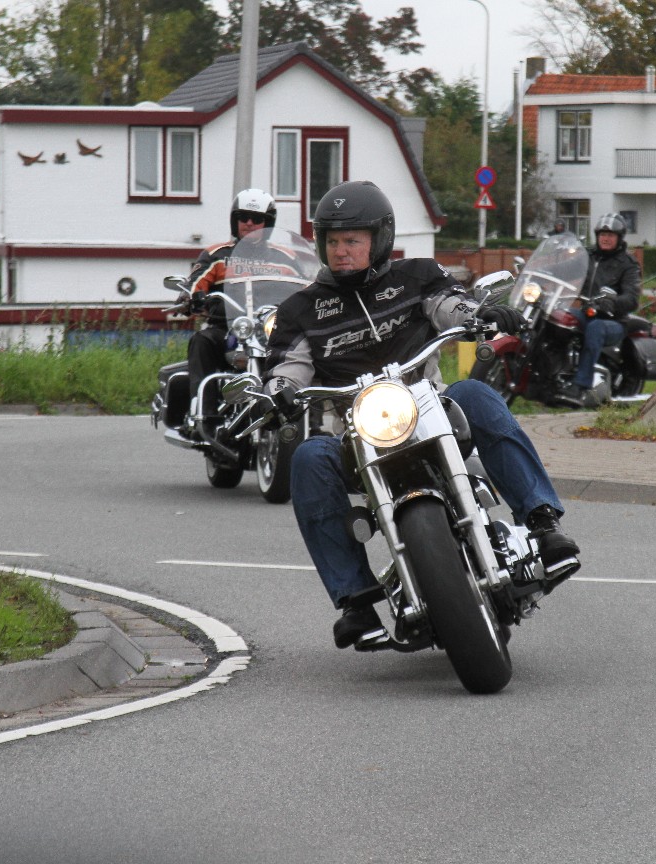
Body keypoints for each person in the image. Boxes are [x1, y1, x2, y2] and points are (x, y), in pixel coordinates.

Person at [264, 180, 581, 648]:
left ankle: (543, 523)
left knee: (475, 393)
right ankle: (355, 602)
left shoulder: (416, 276)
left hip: (430, 409)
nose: (341, 251)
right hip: (359, 434)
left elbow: (451, 305)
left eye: (352, 240)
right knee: (310, 457)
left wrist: (480, 317)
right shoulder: (301, 310)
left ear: (380, 239)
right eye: (332, 241)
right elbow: (286, 368)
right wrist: (278, 392)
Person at [182, 188, 277, 434]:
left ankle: (310, 421)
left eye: (256, 219)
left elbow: (306, 286)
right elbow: (195, 282)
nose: (249, 223)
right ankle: (204, 416)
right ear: (234, 221)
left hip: (271, 329)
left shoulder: (284, 257)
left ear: (268, 223)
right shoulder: (217, 255)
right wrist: (190, 297)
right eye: (243, 217)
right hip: (228, 327)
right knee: (202, 341)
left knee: (304, 351)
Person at [555, 212, 642, 407]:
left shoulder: (628, 264)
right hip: (587, 313)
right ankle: (551, 375)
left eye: (610, 235)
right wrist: (542, 272)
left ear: (619, 238)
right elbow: (564, 270)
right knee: (558, 317)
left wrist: (612, 302)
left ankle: (580, 385)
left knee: (596, 328)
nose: (605, 238)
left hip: (614, 322)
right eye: (602, 234)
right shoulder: (588, 257)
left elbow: (632, 298)